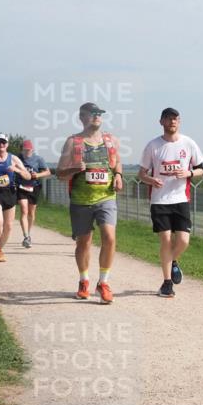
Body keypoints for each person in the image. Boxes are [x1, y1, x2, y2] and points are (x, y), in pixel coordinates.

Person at [55, 103, 124, 303]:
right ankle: (84, 280)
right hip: (81, 200)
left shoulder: (111, 140)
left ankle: (103, 283)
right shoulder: (73, 142)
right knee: (83, 243)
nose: (96, 116)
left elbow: (117, 162)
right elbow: (59, 173)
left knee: (109, 237)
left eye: (99, 113)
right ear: (82, 117)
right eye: (92, 113)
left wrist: (118, 175)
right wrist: (74, 169)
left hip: (106, 197)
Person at [137, 108, 203, 298]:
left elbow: (201, 170)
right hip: (159, 200)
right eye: (168, 119)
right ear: (161, 122)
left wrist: (189, 173)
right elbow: (141, 174)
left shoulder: (188, 143)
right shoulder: (153, 146)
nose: (172, 122)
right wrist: (151, 180)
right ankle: (167, 284)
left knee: (183, 241)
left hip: (180, 199)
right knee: (166, 240)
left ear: (179, 122)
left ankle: (172, 261)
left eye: (175, 119)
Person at [0, 133, 32, 262]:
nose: (1, 145)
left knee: (8, 226)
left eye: (3, 142)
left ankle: (0, 250)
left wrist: (18, 170)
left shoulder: (13, 159)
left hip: (10, 193)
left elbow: (28, 176)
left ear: (7, 144)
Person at [18, 139, 52, 248]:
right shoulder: (17, 158)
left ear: (32, 150)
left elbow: (48, 172)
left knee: (31, 213)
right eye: (25, 150)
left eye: (29, 150)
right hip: (21, 187)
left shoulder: (38, 159)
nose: (27, 152)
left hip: (34, 187)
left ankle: (29, 232)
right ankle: (26, 236)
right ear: (22, 149)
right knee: (24, 209)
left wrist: (37, 175)